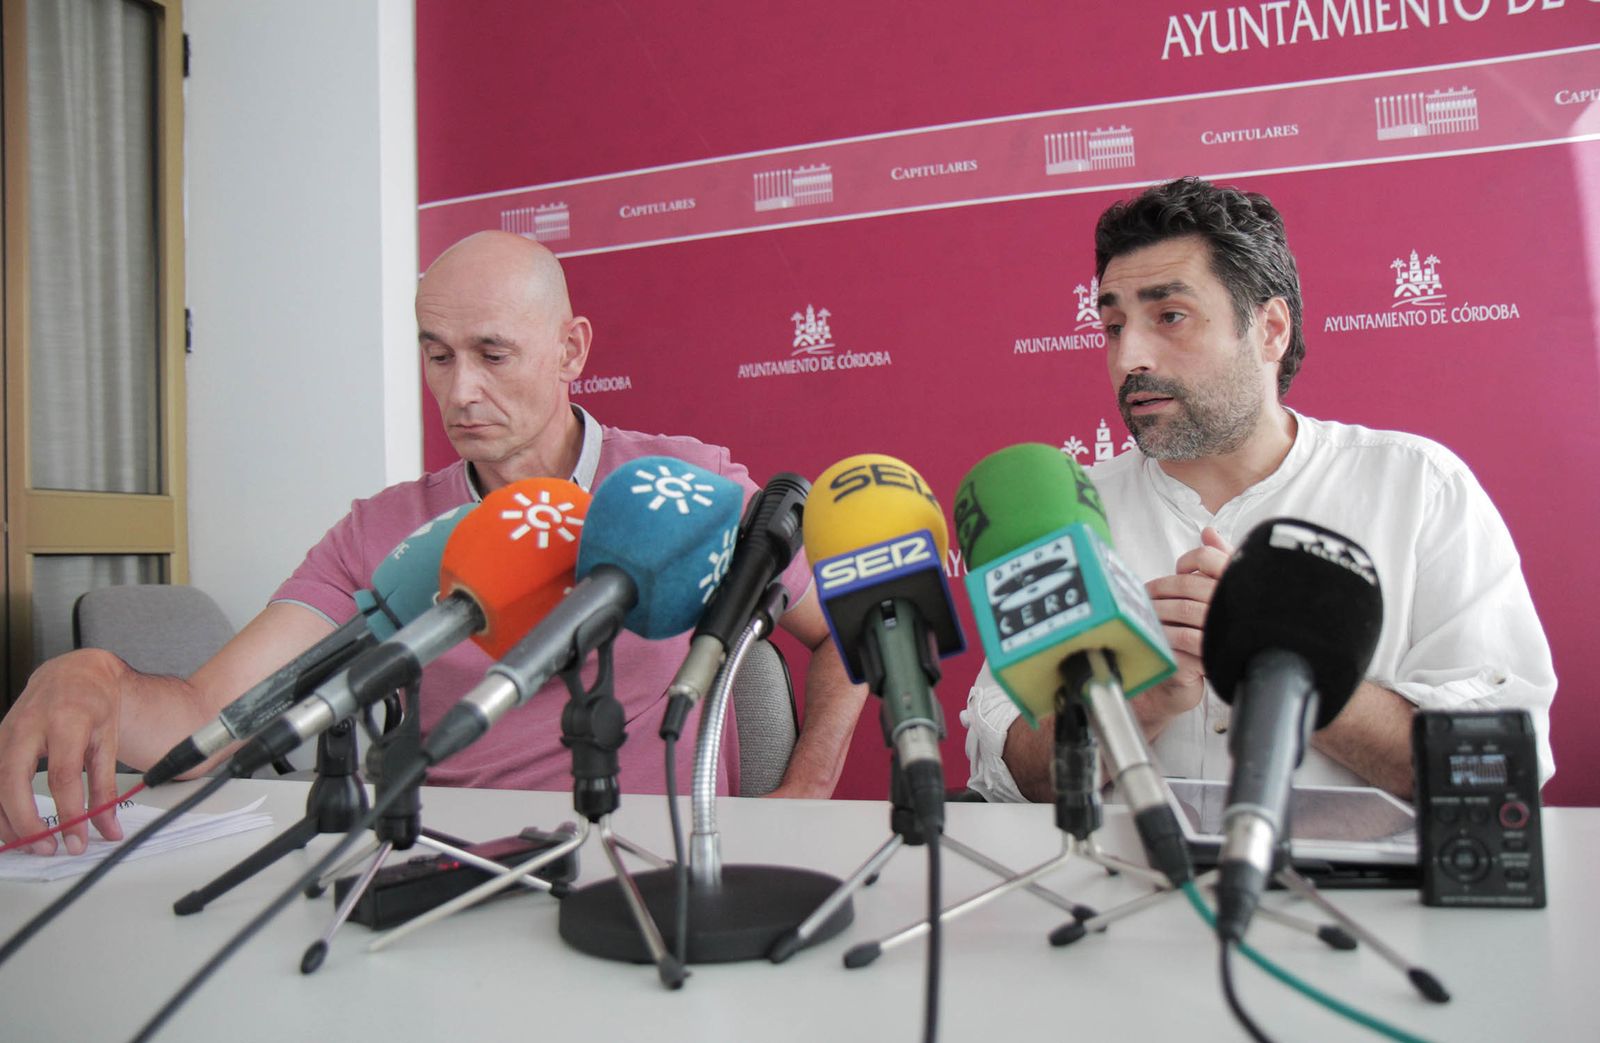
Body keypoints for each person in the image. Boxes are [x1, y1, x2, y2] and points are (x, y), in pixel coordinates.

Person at [0, 231, 864, 855]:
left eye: (492, 353)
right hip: (442, 873)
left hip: (647, 869)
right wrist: (96, 674)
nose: (462, 391)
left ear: (572, 350)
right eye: (438, 356)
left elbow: (850, 628)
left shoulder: (686, 486)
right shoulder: (377, 533)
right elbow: (209, 720)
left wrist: (806, 792)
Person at [963, 176, 1556, 803]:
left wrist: (1282, 661)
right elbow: (1007, 775)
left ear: (1270, 329)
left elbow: (1497, 762)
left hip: (1355, 901)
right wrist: (1139, 700)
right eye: (1113, 326)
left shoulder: (1418, 488)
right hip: (1113, 890)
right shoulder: (1064, 512)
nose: (1130, 356)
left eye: (1170, 317)